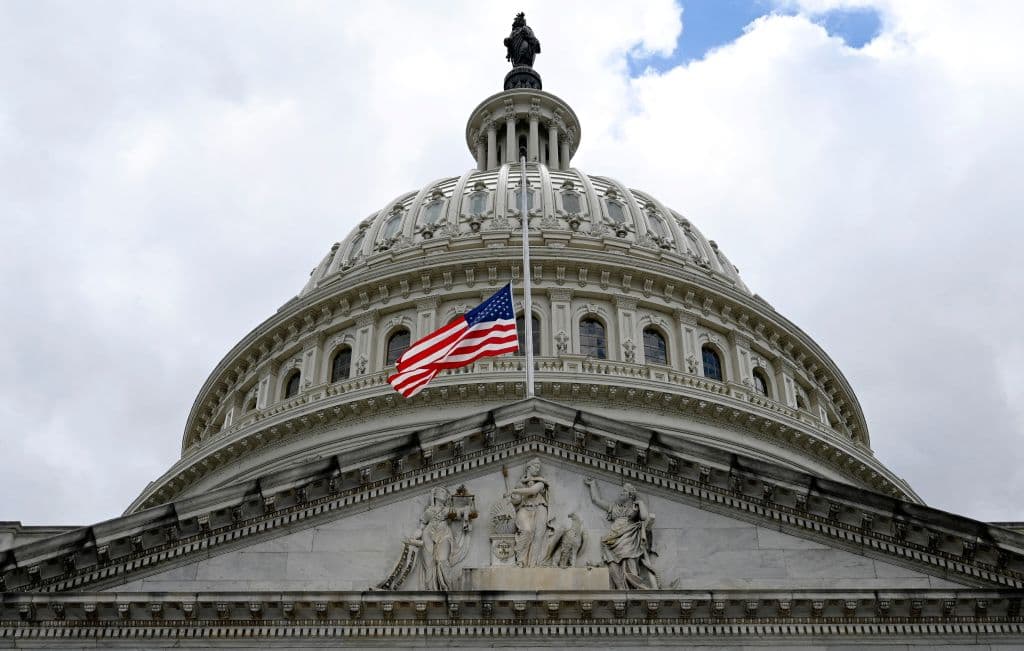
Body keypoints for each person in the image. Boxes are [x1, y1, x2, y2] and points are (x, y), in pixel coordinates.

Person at [583, 478, 660, 589]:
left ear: (630, 495)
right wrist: (592, 485)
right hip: (612, 540)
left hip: (628, 537)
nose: (621, 493)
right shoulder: (614, 507)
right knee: (612, 563)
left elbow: (644, 517)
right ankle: (620, 587)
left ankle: (634, 587)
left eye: (624, 491)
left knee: (629, 563)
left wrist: (641, 503)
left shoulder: (635, 506)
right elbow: (596, 500)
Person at [414, 486, 470, 590]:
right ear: (435, 495)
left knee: (442, 560)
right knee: (429, 563)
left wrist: (466, 513)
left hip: (444, 535)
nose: (445, 494)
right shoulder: (429, 511)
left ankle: (446, 587)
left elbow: (464, 510)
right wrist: (417, 534)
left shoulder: (447, 510)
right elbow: (421, 525)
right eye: (442, 491)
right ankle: (430, 588)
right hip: (428, 534)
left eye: (446, 492)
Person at [508, 458, 549, 566]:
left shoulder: (541, 482)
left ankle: (533, 563)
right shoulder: (520, 483)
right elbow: (516, 501)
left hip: (539, 507)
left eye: (539, 467)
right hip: (525, 507)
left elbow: (532, 491)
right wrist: (513, 497)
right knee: (526, 530)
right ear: (528, 467)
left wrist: (513, 490)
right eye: (536, 466)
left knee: (539, 535)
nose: (538, 469)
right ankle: (521, 560)